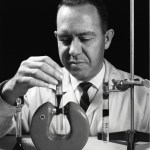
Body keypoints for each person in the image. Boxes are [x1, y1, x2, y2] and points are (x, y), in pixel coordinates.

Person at [0, 0, 149, 139]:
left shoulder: (143, 97)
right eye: (64, 39)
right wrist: (9, 92)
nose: (73, 50)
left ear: (107, 39)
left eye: (85, 39)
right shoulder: (34, 90)